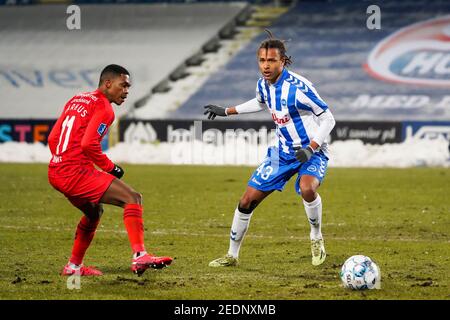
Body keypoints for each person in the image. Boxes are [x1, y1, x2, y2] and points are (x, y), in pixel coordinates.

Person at [204, 31, 336, 267]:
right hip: (282, 153)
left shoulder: (299, 88)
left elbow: (328, 119)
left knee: (307, 188)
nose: (266, 65)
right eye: (262, 60)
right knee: (246, 201)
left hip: (311, 152)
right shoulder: (263, 85)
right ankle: (232, 255)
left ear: (283, 61)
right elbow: (259, 102)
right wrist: (226, 111)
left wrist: (312, 147)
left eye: (271, 60)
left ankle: (316, 237)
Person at [48, 64, 173, 276]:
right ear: (108, 83)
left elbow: (53, 138)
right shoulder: (104, 108)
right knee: (132, 198)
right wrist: (110, 167)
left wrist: (62, 159)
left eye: (128, 87)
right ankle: (140, 256)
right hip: (74, 172)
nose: (126, 91)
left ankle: (73, 267)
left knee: (93, 212)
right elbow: (89, 144)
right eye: (123, 85)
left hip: (56, 171)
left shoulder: (77, 99)